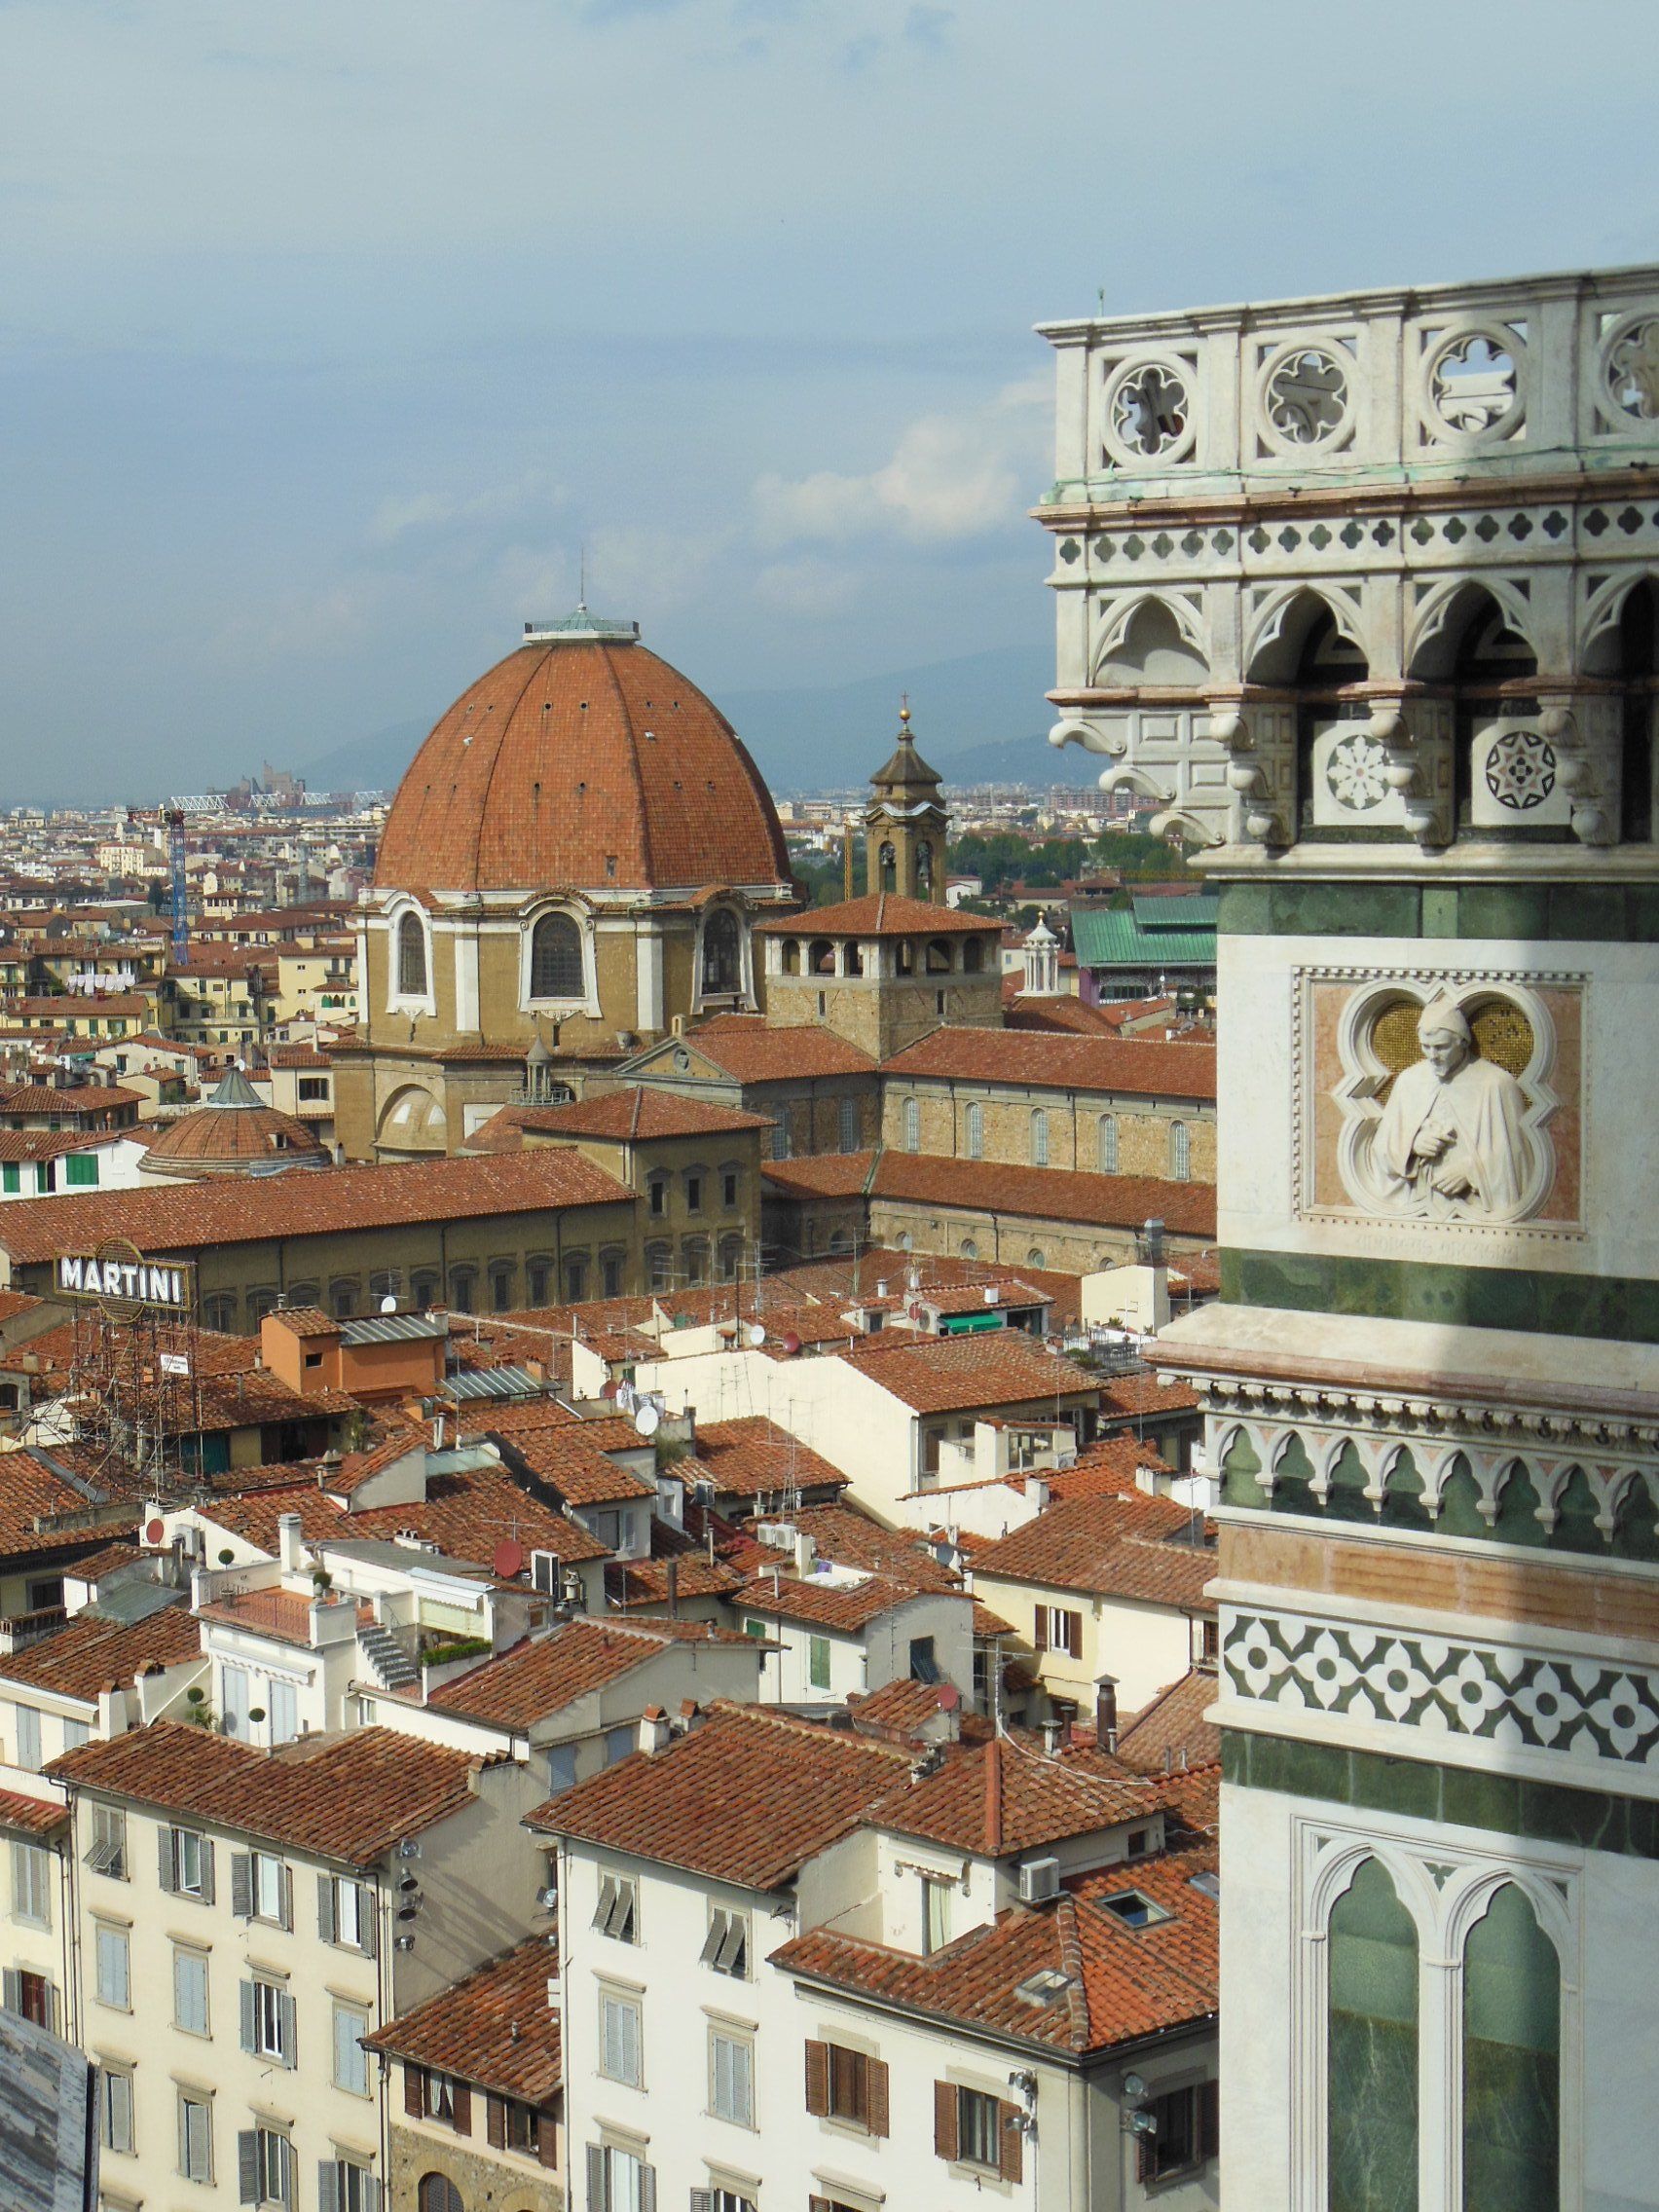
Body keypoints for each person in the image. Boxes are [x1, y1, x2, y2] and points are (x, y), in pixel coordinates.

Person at [1373, 998, 1531, 1219]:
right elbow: (1380, 1149)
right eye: (1425, 1047)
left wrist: (1472, 1171)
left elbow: (1518, 1155)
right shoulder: (1409, 1081)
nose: (1432, 1056)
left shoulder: (1495, 1083)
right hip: (1419, 1206)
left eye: (1441, 1047)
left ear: (1463, 1042)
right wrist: (1412, 1146)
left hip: (1477, 1208)